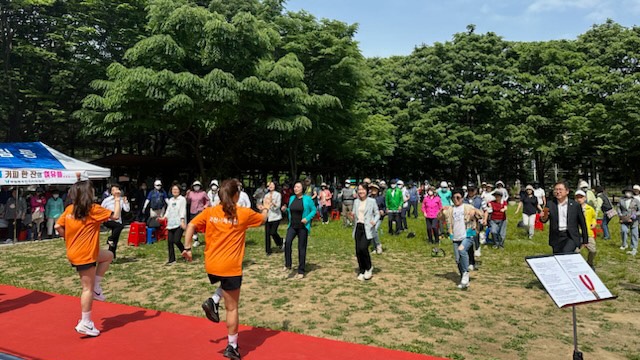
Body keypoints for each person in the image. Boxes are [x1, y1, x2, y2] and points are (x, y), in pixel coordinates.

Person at [182, 179, 269, 360]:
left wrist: (187, 248)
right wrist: (266, 207)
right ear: (236, 195)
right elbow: (263, 220)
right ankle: (232, 345)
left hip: (212, 264)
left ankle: (214, 299)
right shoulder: (243, 213)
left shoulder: (210, 211)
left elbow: (191, 225)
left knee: (226, 288)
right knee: (232, 308)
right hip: (230, 266)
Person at [55, 178, 121, 337]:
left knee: (108, 256)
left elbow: (58, 226)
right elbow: (116, 215)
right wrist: (117, 198)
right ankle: (85, 321)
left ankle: (97, 288)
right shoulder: (93, 209)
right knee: (86, 289)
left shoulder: (70, 209)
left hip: (80, 251)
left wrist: (67, 238)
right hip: (85, 254)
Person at [441, 189, 484, 289]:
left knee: (462, 250)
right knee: (457, 260)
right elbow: (440, 218)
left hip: (468, 235)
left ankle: (465, 273)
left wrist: (475, 211)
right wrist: (441, 210)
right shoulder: (450, 209)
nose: (456, 200)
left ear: (462, 198)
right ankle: (464, 278)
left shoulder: (467, 207)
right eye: (454, 198)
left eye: (458, 198)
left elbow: (480, 214)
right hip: (455, 236)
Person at [540, 181, 589, 254]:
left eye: (560, 189)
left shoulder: (575, 205)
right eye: (556, 190)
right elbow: (544, 220)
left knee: (565, 253)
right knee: (558, 257)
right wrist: (543, 216)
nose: (558, 192)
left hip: (570, 236)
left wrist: (585, 240)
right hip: (556, 236)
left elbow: (582, 222)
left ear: (567, 191)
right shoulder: (550, 204)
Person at [283, 181, 316, 279]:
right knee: (287, 243)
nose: (295, 188)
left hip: (302, 227)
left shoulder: (308, 199)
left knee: (301, 248)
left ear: (302, 189)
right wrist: (286, 210)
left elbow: (314, 210)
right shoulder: (292, 198)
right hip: (292, 226)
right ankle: (288, 264)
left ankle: (301, 270)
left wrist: (307, 218)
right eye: (295, 187)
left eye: (298, 187)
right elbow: (291, 210)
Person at [351, 183, 379, 281]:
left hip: (367, 228)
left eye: (363, 189)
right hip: (358, 227)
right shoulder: (356, 202)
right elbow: (354, 213)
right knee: (358, 251)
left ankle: (368, 267)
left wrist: (374, 221)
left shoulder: (372, 201)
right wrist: (352, 215)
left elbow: (377, 214)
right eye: (359, 190)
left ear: (367, 191)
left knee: (363, 248)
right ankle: (362, 270)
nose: (361, 191)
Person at [100, 184, 130, 259]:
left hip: (118, 220)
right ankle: (110, 238)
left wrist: (126, 202)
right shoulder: (107, 200)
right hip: (108, 220)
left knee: (115, 240)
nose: (116, 191)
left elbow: (127, 209)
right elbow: (101, 209)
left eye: (117, 189)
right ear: (111, 192)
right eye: (113, 190)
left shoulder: (121, 199)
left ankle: (112, 255)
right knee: (120, 227)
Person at [163, 184, 187, 265]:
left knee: (176, 240)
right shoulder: (171, 200)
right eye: (173, 190)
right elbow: (168, 210)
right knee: (170, 241)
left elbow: (182, 210)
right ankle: (171, 260)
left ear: (179, 190)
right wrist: (164, 217)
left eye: (176, 189)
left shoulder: (182, 199)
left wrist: (182, 220)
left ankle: (185, 252)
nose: (175, 191)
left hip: (179, 223)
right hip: (171, 223)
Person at [575, 190, 597, 268]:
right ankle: (578, 265)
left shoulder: (589, 209)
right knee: (576, 252)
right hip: (577, 234)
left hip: (588, 233)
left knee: (593, 250)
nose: (579, 199)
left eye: (581, 197)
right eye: (577, 197)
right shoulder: (573, 208)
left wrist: (594, 223)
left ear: (585, 198)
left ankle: (590, 263)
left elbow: (594, 217)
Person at [617, 186, 640, 256]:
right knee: (624, 231)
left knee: (634, 233)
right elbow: (618, 208)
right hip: (624, 219)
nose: (628, 193)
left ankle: (634, 247)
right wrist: (620, 215)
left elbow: (639, 210)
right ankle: (624, 244)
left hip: (634, 220)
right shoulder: (621, 200)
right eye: (627, 192)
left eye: (629, 192)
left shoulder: (636, 201)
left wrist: (633, 216)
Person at [263, 181, 283, 256]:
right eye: (269, 185)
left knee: (273, 232)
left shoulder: (278, 195)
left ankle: (280, 242)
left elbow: (278, 206)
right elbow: (264, 204)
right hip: (268, 216)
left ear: (275, 186)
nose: (270, 186)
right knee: (267, 233)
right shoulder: (266, 195)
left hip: (276, 216)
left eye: (272, 184)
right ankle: (268, 250)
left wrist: (272, 203)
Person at [187, 180, 209, 246]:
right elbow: (188, 201)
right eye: (195, 186)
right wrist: (187, 195)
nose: (196, 187)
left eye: (198, 186)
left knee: (203, 225)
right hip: (192, 211)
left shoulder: (203, 193)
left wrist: (205, 206)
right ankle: (196, 240)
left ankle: (208, 239)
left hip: (200, 211)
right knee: (193, 226)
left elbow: (208, 200)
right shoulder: (190, 193)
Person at [369, 183, 385, 254]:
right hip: (370, 217)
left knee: (374, 230)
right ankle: (374, 247)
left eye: (375, 189)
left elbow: (385, 207)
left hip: (378, 217)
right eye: (372, 189)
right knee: (371, 231)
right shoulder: (368, 198)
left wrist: (383, 211)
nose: (373, 190)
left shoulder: (381, 198)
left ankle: (378, 245)